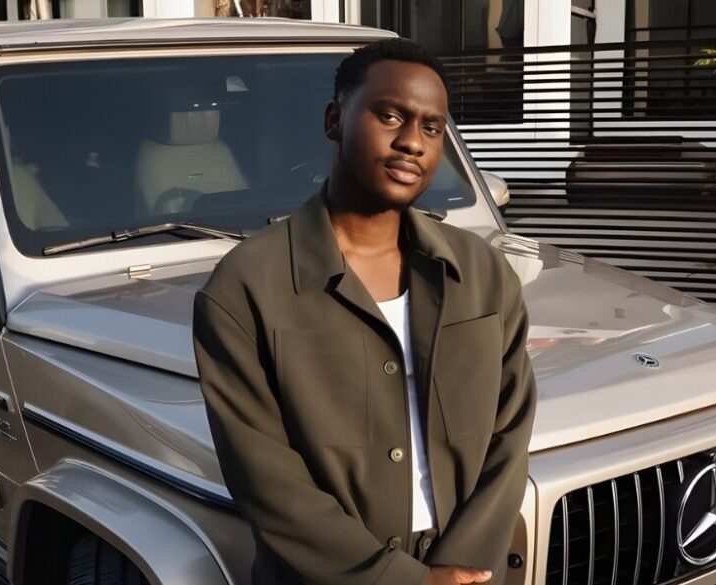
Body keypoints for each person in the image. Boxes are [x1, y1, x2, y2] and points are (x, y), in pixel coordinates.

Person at [192, 39, 536, 585]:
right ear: (335, 119)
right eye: (390, 116)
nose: (412, 142)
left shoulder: (483, 273)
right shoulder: (245, 287)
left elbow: (510, 430)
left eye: (431, 127)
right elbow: (266, 479)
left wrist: (462, 563)